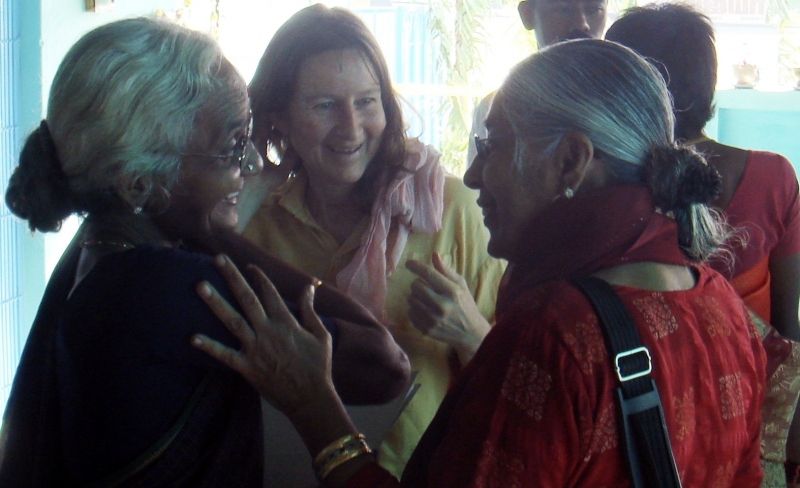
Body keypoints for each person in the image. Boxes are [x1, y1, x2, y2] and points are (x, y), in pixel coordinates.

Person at [195, 39, 766, 487]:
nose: (471, 175)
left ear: (570, 160)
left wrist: (315, 407)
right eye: (323, 105)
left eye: (492, 146)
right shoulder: (719, 304)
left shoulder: (554, 331)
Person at [0, 17, 409, 487]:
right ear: (140, 183)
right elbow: (385, 365)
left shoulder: (99, 251)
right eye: (233, 146)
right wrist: (217, 233)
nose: (252, 164)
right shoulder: (155, 286)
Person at [242, 4, 506, 478]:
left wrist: (469, 334)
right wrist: (255, 186)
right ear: (278, 118)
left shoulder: (450, 208)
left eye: (366, 101)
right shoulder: (256, 226)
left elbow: (519, 385)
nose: (351, 127)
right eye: (324, 105)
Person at [605, 6, 800, 485]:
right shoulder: (772, 178)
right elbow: (788, 337)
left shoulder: (605, 191)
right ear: (707, 87)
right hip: (747, 432)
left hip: (634, 433)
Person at [466, 0, 608, 164]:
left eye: (593, 9)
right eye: (564, 9)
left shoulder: (622, 106)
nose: (581, 24)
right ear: (527, 14)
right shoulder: (497, 111)